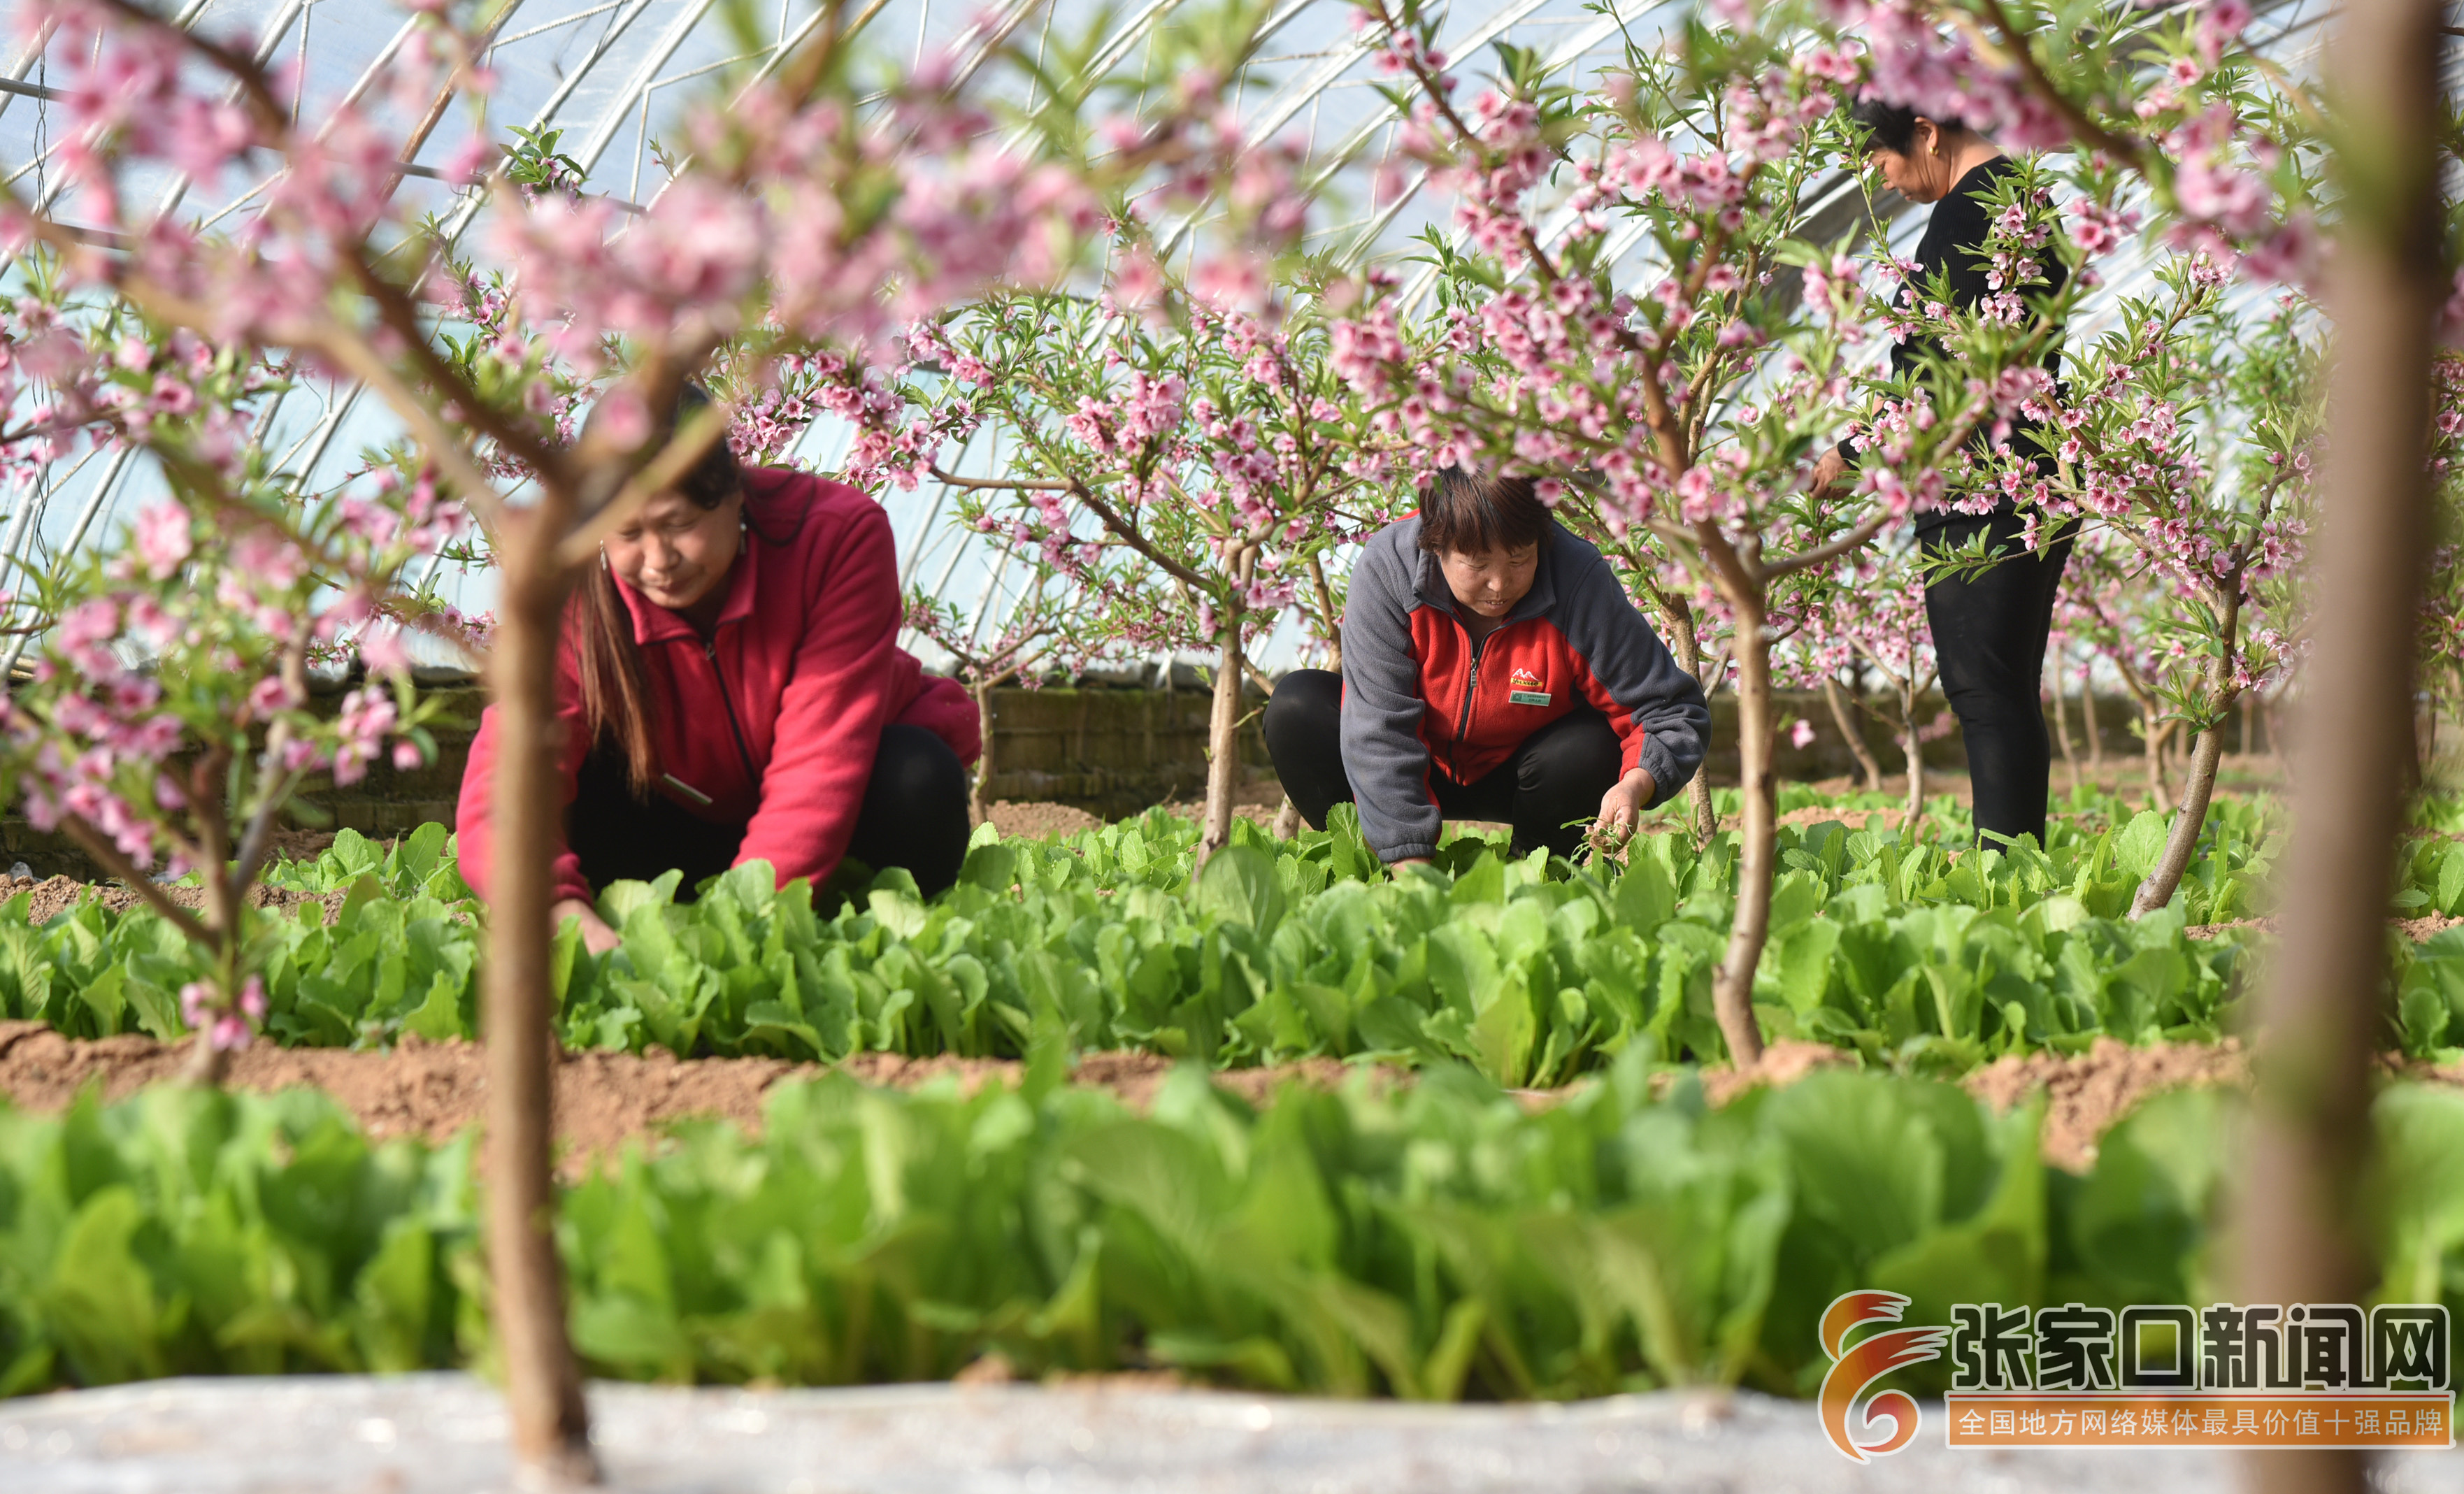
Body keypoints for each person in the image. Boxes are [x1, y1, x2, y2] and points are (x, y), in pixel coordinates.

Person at [455, 388, 980, 951]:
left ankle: (862, 932)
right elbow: (506, 780)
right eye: (628, 533)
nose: (658, 561)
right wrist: (560, 911)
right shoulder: (571, 581)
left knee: (918, 780)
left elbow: (820, 766)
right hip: (672, 814)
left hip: (838, 802)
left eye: (678, 524)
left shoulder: (837, 536)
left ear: (735, 493)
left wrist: (733, 935)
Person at [1810, 98, 2074, 850]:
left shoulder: (1969, 214)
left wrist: (1853, 451)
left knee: (1985, 691)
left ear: (1926, 133)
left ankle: (2005, 873)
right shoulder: (2024, 200)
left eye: (1886, 163)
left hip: (1983, 485)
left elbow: (1939, 377)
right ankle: (2015, 865)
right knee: (2003, 690)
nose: (1886, 182)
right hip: (2021, 473)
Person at [1264, 467, 1710, 866]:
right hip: (1420, 760)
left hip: (1525, 776)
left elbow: (1670, 710)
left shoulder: (1578, 581)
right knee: (1297, 708)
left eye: (1519, 560)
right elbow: (1380, 729)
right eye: (1477, 565)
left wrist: (1635, 785)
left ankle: (1537, 875)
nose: (1499, 585)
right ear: (1435, 544)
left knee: (1589, 747)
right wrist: (1414, 877)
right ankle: (1374, 868)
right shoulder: (1389, 569)